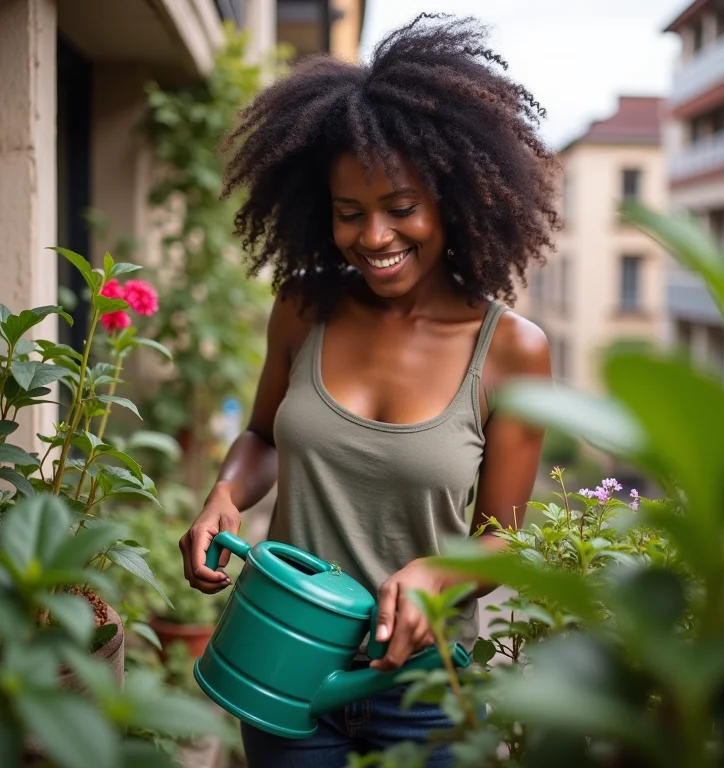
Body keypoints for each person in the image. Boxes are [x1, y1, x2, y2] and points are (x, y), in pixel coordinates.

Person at [179, 12, 557, 767]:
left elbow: (503, 538)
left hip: (425, 691)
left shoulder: (511, 350)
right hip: (283, 667)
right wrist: (225, 493)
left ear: (453, 198)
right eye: (350, 214)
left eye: (401, 208)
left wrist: (439, 572)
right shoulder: (303, 305)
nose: (374, 237)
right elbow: (261, 437)